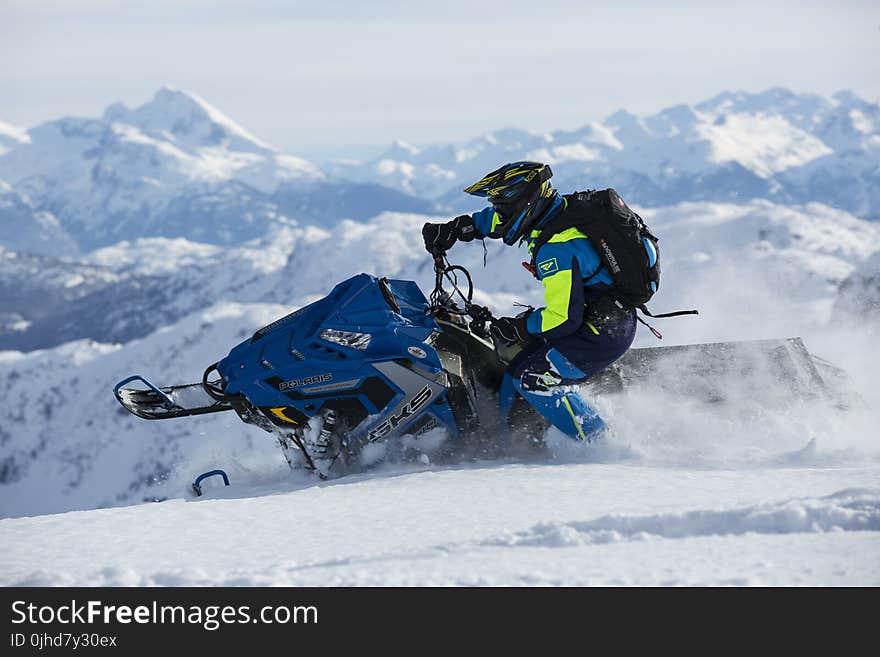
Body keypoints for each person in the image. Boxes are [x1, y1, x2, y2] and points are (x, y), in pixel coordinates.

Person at [421, 161, 637, 442]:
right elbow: (500, 220)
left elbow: (562, 318)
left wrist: (520, 327)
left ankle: (599, 445)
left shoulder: (556, 249)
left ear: (524, 203)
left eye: (502, 206)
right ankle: (522, 445)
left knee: (533, 378)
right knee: (515, 371)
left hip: (600, 332)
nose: (498, 213)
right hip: (597, 318)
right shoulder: (555, 214)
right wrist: (459, 228)